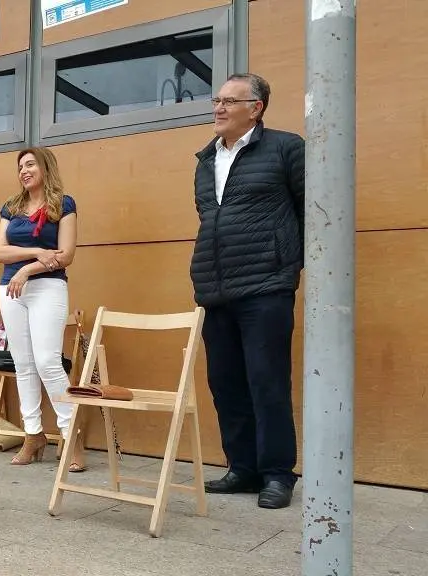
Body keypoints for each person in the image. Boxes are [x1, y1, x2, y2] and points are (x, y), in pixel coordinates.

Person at [190, 73, 304, 510]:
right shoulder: (206, 159)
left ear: (256, 108)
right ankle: (243, 467)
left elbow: (310, 207)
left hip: (266, 287)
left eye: (229, 101)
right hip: (216, 288)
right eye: (216, 100)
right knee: (226, 382)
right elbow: (210, 218)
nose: (218, 108)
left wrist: (288, 262)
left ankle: (277, 474)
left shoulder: (285, 148)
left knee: (267, 381)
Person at [0, 147, 84, 473]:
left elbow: (66, 254)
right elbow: (0, 252)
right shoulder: (12, 206)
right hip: (11, 291)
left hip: (47, 287)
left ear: (45, 166)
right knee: (24, 364)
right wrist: (35, 252)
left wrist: (27, 269)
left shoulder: (64, 204)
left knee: (47, 361)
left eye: (30, 164)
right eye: (20, 166)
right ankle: (33, 435)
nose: (24, 171)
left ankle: (70, 436)